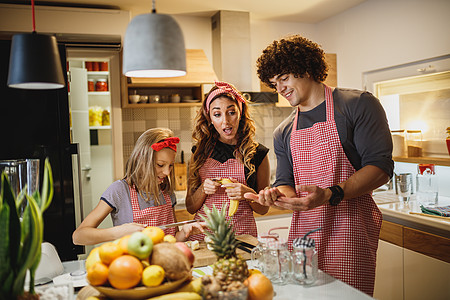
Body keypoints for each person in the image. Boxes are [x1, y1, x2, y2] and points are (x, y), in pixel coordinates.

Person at [245, 35, 394, 296]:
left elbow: (380, 168)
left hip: (350, 229)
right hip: (304, 237)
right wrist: (276, 195)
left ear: (305, 67)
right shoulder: (284, 131)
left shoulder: (357, 104)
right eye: (273, 83)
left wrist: (330, 194)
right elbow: (286, 183)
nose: (279, 88)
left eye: (284, 77)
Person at [73, 128, 204, 245]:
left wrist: (184, 233)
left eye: (170, 165)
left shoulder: (166, 192)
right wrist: (118, 232)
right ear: (142, 161)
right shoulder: (119, 191)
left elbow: (171, 239)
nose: (167, 172)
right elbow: (79, 236)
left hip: (165, 265)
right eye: (160, 165)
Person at [186, 81, 270, 240]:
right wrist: (203, 189)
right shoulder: (198, 153)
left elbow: (263, 209)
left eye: (231, 112)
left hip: (242, 239)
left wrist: (248, 193)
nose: (225, 121)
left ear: (241, 113)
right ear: (209, 118)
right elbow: (190, 207)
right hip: (202, 239)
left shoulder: (258, 153)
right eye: (217, 114)